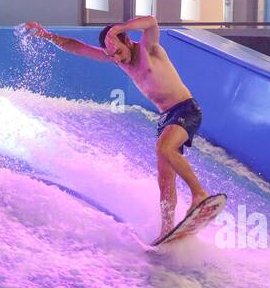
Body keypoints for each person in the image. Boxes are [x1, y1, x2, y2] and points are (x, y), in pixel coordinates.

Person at [21, 16, 210, 239]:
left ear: (127, 40)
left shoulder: (149, 49)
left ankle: (199, 194)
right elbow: (78, 47)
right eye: (112, 55)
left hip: (186, 109)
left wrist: (120, 28)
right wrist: (47, 35)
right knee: (165, 178)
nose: (117, 58)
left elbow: (151, 22)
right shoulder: (117, 58)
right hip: (166, 117)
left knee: (164, 148)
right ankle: (167, 230)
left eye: (118, 52)